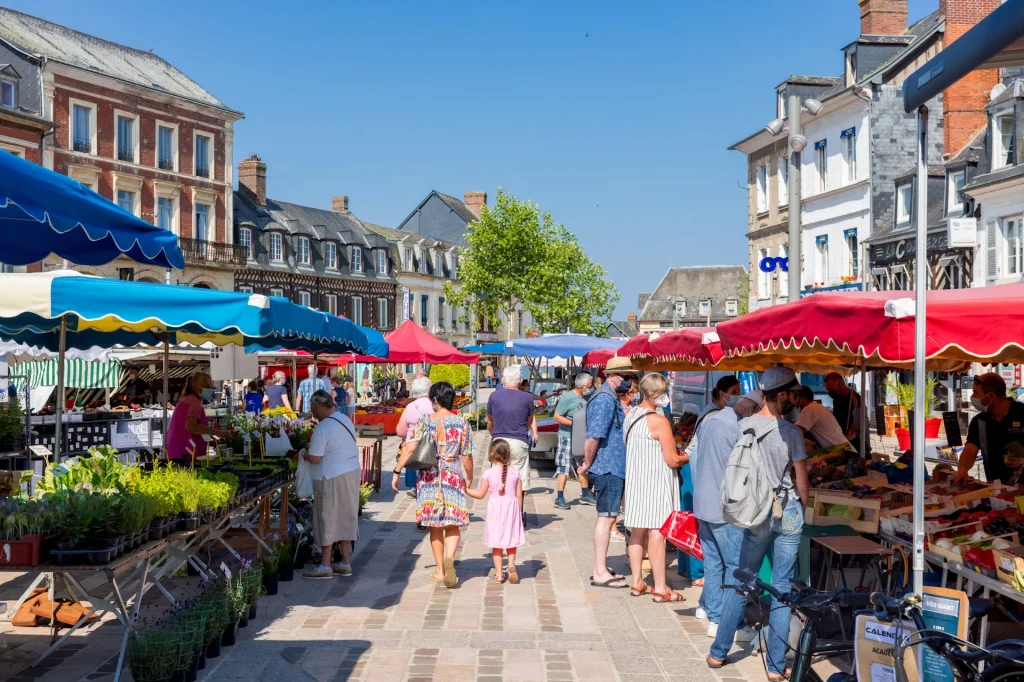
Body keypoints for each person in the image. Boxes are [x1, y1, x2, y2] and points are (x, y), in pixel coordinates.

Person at [708, 367, 810, 679]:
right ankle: (777, 666)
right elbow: (801, 479)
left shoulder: (744, 426)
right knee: (781, 587)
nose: (794, 399)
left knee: (743, 581)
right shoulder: (791, 432)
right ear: (782, 395)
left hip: (754, 511)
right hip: (786, 508)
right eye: (792, 394)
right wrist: (802, 509)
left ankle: (718, 653)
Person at [691, 389, 761, 641]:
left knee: (713, 564)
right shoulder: (736, 428)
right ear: (752, 409)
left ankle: (714, 614)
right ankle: (727, 622)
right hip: (723, 508)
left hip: (704, 502)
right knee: (734, 567)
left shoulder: (714, 420)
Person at [393, 381, 474, 588]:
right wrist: (469, 477)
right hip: (452, 475)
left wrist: (397, 471)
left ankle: (439, 570)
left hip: (429, 478)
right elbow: (466, 456)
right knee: (453, 523)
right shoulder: (462, 423)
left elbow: (410, 448)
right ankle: (450, 558)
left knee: (435, 526)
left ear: (435, 400)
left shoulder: (424, 421)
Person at [624, 374, 687, 602]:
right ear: (658, 394)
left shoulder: (630, 415)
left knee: (637, 533)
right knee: (657, 535)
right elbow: (671, 459)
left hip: (635, 482)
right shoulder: (659, 421)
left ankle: (636, 582)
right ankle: (660, 587)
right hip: (655, 483)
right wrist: (687, 457)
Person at [578, 356, 638, 589]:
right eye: (626, 376)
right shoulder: (604, 399)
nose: (629, 381)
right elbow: (593, 436)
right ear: (612, 376)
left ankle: (601, 567)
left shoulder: (609, 397)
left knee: (608, 516)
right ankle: (600, 571)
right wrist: (588, 463)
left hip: (611, 465)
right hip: (608, 466)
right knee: (606, 517)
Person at [301, 391, 361, 579]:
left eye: (312, 410)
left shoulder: (324, 426)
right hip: (351, 473)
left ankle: (325, 565)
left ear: (319, 406)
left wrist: (303, 454)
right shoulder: (345, 419)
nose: (313, 414)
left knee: (326, 518)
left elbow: (316, 457)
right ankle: (345, 562)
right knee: (345, 517)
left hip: (330, 477)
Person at [467, 438, 525, 584]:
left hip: (495, 511)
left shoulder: (488, 473)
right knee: (511, 541)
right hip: (512, 509)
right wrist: (518, 513)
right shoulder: (515, 472)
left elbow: (480, 495)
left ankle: (499, 574)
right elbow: (519, 495)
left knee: (497, 543)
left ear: (491, 454)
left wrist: (465, 490)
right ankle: (511, 564)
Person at [954, 372, 1024, 484]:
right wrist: (962, 469)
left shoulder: (1022, 413)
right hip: (996, 490)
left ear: (990, 396)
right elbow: (970, 449)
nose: (972, 397)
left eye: (976, 393)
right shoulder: (980, 421)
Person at [486, 365, 538, 516]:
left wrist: (493, 434)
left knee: (498, 478)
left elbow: (489, 421)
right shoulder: (527, 398)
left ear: (502, 380)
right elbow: (529, 421)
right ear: (520, 381)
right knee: (518, 481)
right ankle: (517, 516)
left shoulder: (494, 396)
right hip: (519, 440)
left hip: (499, 439)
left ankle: (498, 514)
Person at [553, 373, 595, 510]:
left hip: (581, 437)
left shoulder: (585, 398)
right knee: (564, 466)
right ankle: (559, 497)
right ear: (582, 386)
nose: (591, 387)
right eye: (589, 385)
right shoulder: (568, 398)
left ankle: (585, 494)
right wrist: (575, 424)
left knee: (583, 464)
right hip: (566, 436)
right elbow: (557, 416)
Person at [166, 372, 229, 464]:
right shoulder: (194, 402)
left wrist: (209, 436)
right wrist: (218, 433)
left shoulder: (186, 399)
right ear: (199, 388)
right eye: (209, 387)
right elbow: (191, 426)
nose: (210, 390)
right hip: (186, 451)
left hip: (177, 448)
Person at [396, 376, 434, 498]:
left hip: (413, 446)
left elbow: (400, 431)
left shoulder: (410, 407)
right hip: (431, 446)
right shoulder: (434, 405)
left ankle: (414, 486)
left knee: (412, 459)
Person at [825, 372, 862, 452]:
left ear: (840, 383)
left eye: (831, 389)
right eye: (827, 389)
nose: (829, 392)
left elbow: (857, 427)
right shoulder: (836, 399)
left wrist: (843, 440)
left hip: (854, 443)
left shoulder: (854, 398)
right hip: (841, 441)